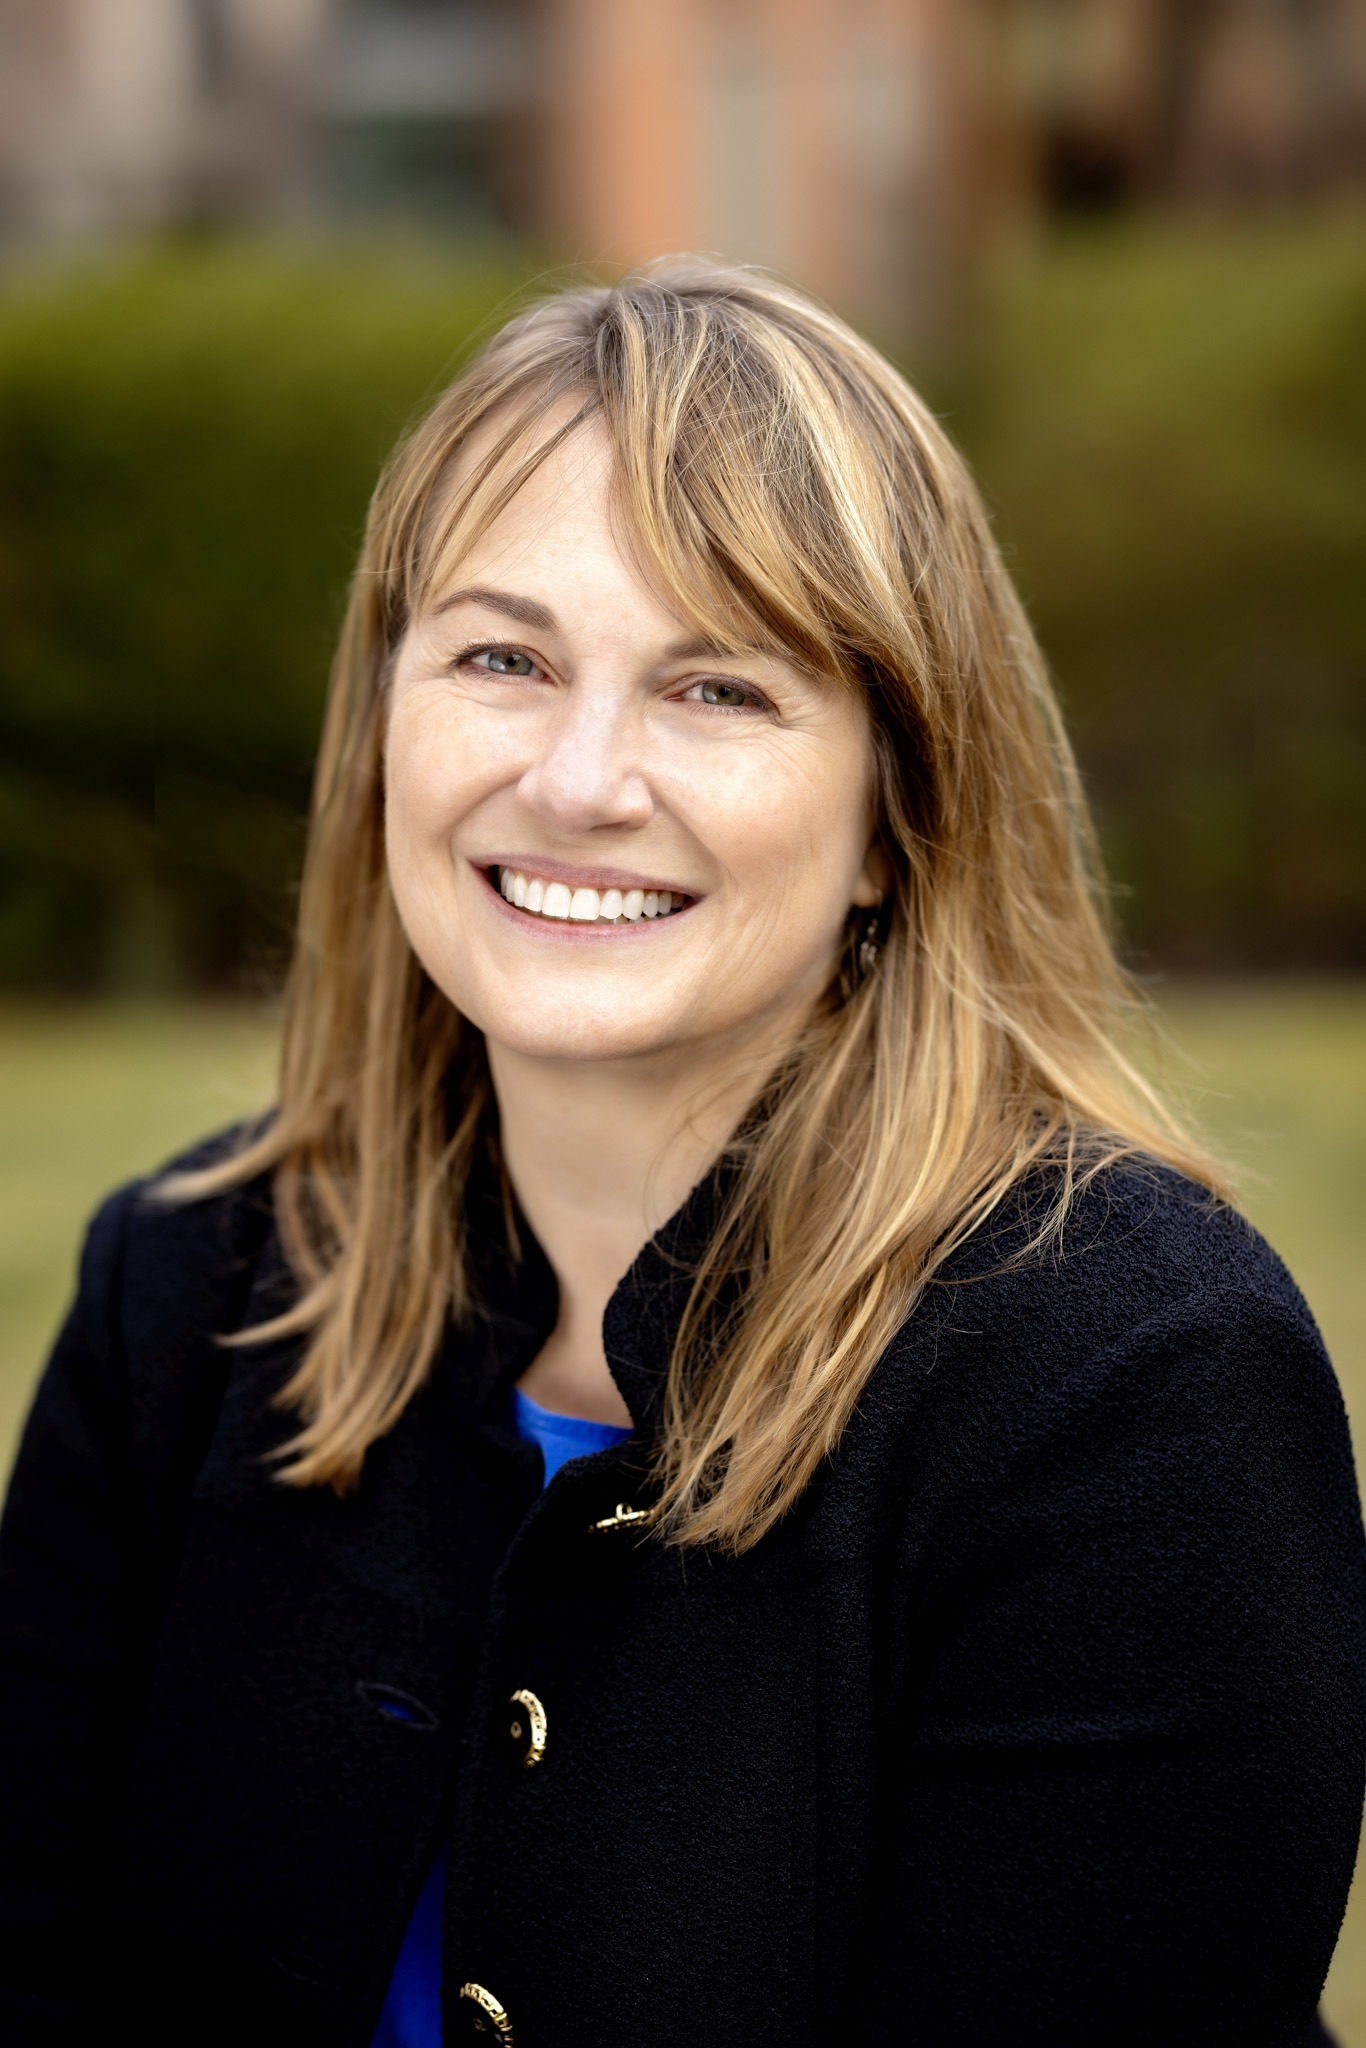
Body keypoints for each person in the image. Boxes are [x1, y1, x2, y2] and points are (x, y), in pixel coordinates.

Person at [0, 261, 1362, 2048]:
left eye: (717, 689)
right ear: (386, 718)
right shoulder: (186, 1291)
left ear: (898, 811)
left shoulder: (1129, 1386)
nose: (578, 779)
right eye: (502, 655)